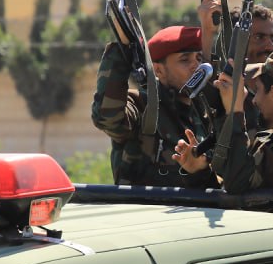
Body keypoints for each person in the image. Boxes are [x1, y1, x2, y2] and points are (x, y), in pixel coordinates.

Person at [172, 52, 273, 192]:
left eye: (257, 90)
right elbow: (233, 196)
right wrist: (199, 171)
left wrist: (234, 112)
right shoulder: (269, 138)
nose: (254, 100)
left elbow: (239, 184)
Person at [91, 25, 217, 187]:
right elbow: (107, 117)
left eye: (199, 58)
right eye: (184, 60)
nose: (196, 66)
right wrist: (123, 48)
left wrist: (199, 169)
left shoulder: (206, 114)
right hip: (145, 203)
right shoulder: (142, 105)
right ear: (159, 70)